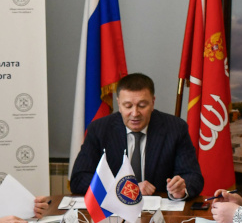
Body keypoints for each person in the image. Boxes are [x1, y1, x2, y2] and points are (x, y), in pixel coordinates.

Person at [69, 72, 203, 199]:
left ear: (152, 103)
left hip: (160, 210)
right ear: (119, 104)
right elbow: (79, 179)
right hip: (114, 210)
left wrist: (181, 189)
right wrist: (125, 188)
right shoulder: (99, 129)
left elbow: (193, 176)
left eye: (142, 105)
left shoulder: (175, 128)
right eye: (128, 106)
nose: (135, 113)